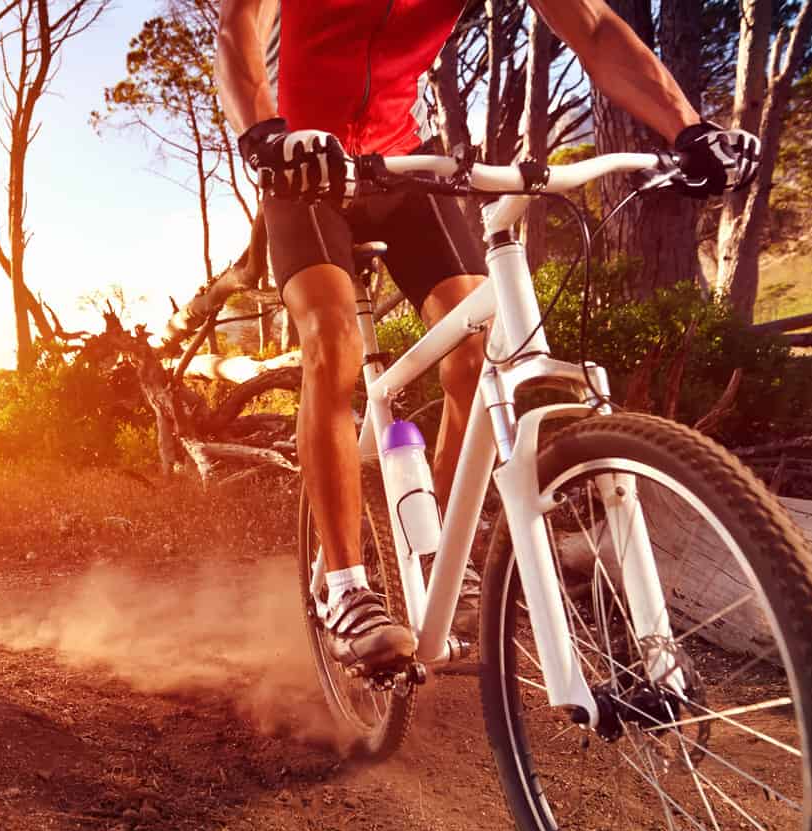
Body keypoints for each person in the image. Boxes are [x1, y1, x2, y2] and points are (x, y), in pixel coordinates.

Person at [216, 0, 759, 676]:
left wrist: (688, 128)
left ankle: (439, 557)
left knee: (476, 347)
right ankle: (345, 586)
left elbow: (591, 28)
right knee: (333, 343)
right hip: (303, 162)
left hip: (402, 162)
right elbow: (239, 22)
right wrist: (264, 133)